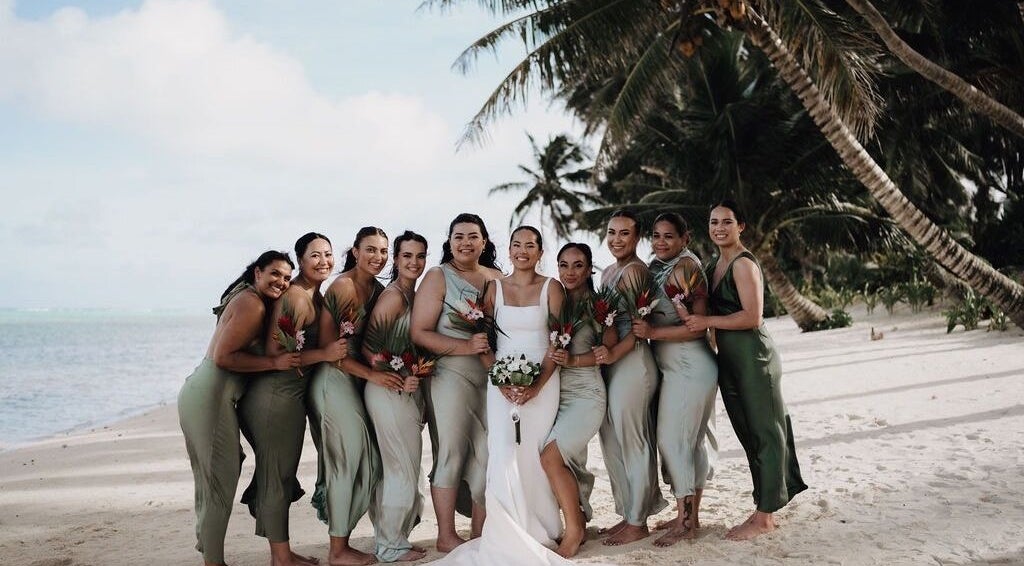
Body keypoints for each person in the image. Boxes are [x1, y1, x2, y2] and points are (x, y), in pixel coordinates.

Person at [430, 225, 571, 565]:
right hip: (500, 384)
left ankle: (541, 527)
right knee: (503, 450)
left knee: (533, 453)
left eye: (530, 245)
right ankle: (506, 529)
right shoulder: (493, 288)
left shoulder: (552, 288)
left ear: (540, 252)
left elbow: (558, 343)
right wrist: (499, 377)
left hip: (543, 383)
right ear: (508, 250)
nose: (523, 250)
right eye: (517, 244)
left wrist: (536, 385)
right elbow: (483, 342)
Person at [681, 200, 808, 540]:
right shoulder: (713, 263)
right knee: (749, 433)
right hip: (730, 360)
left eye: (727, 221)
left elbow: (753, 316)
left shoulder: (742, 264)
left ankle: (765, 517)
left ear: (741, 227)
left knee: (766, 431)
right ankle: (765, 504)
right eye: (713, 222)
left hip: (755, 358)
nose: (719, 227)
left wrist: (707, 321)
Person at [178, 250, 301, 566]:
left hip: (205, 394)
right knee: (220, 482)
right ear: (257, 272)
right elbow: (224, 357)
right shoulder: (252, 304)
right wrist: (274, 361)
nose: (282, 282)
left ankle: (210, 553)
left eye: (287, 277)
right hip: (210, 398)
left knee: (213, 480)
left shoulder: (248, 297)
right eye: (275, 273)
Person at [238, 233, 349, 566]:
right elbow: (277, 353)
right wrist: (326, 353)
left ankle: (282, 555)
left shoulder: (314, 296)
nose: (323, 261)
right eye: (314, 255)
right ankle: (281, 558)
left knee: (280, 473)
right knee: (277, 474)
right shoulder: (298, 297)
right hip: (275, 397)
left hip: (289, 396)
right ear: (300, 259)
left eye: (328, 254)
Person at [307, 227, 402, 565]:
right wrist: (374, 375)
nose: (378, 257)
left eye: (383, 251)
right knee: (347, 460)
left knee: (370, 461)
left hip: (357, 381)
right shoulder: (342, 286)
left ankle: (348, 539)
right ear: (355, 251)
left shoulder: (378, 290)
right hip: (332, 380)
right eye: (371, 250)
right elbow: (330, 349)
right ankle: (337, 549)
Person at [410, 213, 502, 552]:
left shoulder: (497, 278)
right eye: (458, 236)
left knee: (489, 452)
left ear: (484, 241)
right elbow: (418, 332)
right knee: (450, 451)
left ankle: (481, 530)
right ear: (449, 242)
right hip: (451, 375)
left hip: (491, 378)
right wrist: (466, 346)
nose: (465, 242)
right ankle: (446, 535)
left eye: (472, 236)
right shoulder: (438, 276)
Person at [631, 213, 718, 546]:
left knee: (672, 440)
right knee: (690, 442)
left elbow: (697, 325)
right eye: (655, 236)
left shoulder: (686, 268)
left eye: (669, 236)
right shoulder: (658, 267)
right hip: (676, 366)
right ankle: (690, 514)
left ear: (686, 238)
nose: (661, 242)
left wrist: (653, 331)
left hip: (689, 365)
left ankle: (685, 524)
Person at [595, 209, 667, 546]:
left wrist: (611, 355)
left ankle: (639, 520)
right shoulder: (608, 271)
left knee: (634, 440)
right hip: (612, 362)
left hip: (633, 362)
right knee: (612, 439)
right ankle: (627, 513)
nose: (616, 240)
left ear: (637, 237)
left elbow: (638, 332)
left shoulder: (636, 271)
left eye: (624, 234)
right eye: (612, 232)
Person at [363, 231, 431, 563]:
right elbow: (369, 347)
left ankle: (394, 537)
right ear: (396, 259)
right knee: (401, 468)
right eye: (407, 256)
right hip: (388, 391)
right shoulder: (393, 297)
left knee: (403, 466)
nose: (414, 262)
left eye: (420, 256)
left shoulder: (414, 295)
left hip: (406, 391)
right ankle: (389, 545)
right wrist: (401, 376)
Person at [545, 243, 610, 557]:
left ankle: (574, 531)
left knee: (550, 457)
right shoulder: (554, 300)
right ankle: (580, 518)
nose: (570, 272)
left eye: (578, 265)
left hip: (587, 394)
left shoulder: (598, 305)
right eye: (564, 265)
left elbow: (605, 352)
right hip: (557, 395)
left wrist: (572, 361)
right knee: (570, 462)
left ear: (589, 269)